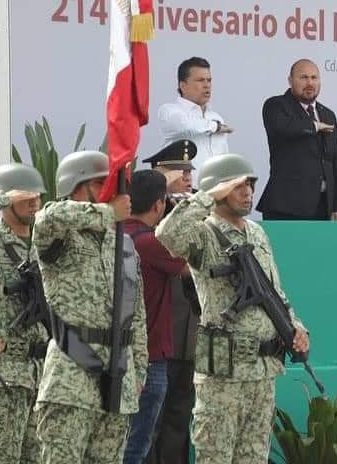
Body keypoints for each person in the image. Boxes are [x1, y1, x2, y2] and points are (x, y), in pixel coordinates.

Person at [155, 153, 310, 463]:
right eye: (238, 186)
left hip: (262, 370)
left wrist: (296, 325)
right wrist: (207, 196)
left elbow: (274, 291)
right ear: (218, 190)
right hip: (223, 373)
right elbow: (167, 235)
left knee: (253, 457)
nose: (248, 192)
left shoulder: (257, 233)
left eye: (250, 184)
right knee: (216, 456)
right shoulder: (204, 233)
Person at [32, 150, 148, 463]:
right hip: (71, 378)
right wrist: (106, 213)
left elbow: (135, 313)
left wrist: (140, 371)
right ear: (77, 186)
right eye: (102, 183)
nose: (114, 191)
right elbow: (49, 217)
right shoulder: (60, 233)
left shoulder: (122, 241)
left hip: (117, 381)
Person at [123, 170, 191, 464]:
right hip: (151, 357)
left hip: (121, 354)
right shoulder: (150, 243)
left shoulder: (117, 235)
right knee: (138, 445)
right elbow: (191, 265)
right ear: (159, 205)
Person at [140, 141, 197, 464]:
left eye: (190, 170)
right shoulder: (155, 211)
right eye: (180, 170)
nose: (187, 176)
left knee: (179, 418)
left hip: (190, 332)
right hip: (160, 331)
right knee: (153, 421)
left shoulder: (198, 208)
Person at [0, 163, 48, 463]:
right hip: (2, 381)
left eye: (36, 192)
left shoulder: (46, 247)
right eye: (24, 194)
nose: (33, 199)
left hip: (43, 378)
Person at [256, 59, 337, 220]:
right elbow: (284, 127)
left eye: (314, 78)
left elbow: (336, 162)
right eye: (303, 77)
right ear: (290, 80)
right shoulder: (276, 105)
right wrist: (315, 126)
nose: (310, 83)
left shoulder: (328, 114)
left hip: (323, 207)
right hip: (286, 207)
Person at [158, 57, 231, 176]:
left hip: (214, 191)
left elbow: (223, 157)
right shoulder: (169, 111)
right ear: (183, 85)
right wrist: (215, 127)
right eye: (200, 80)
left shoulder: (216, 117)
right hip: (184, 191)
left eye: (209, 80)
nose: (207, 85)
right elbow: (185, 125)